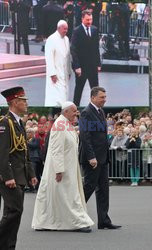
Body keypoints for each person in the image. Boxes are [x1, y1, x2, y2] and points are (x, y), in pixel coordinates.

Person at [32, 101, 94, 232]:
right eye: (74, 111)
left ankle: (49, 221)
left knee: (62, 195)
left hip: (69, 166)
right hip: (62, 168)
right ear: (66, 111)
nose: (76, 113)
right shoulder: (60, 125)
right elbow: (56, 149)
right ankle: (77, 222)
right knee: (68, 195)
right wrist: (59, 170)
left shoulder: (65, 124)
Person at [0, 86, 37, 250]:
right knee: (13, 211)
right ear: (15, 102)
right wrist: (7, 176)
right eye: (23, 101)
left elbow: (24, 151)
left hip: (19, 175)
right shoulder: (5, 122)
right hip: (10, 176)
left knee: (16, 213)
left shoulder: (18, 122)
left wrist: (31, 173)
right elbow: (2, 152)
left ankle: (9, 246)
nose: (26, 104)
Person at [79, 87, 121, 229]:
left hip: (102, 158)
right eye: (102, 97)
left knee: (103, 190)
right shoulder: (86, 113)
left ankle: (104, 221)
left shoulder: (101, 111)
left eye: (105, 96)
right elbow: (85, 136)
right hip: (93, 159)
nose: (104, 99)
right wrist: (91, 157)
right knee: (88, 188)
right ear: (92, 97)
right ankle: (76, 219)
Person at [71, 9, 101, 106]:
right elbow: (73, 50)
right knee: (78, 90)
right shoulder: (77, 31)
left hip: (93, 67)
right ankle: (75, 109)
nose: (89, 22)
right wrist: (76, 66)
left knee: (96, 91)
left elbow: (96, 48)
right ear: (82, 19)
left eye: (91, 19)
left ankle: (96, 109)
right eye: (87, 20)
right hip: (81, 68)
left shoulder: (94, 30)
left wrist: (98, 63)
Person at [44, 20, 71, 106]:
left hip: (64, 73)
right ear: (58, 28)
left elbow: (68, 56)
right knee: (55, 97)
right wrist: (52, 73)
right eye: (64, 29)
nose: (66, 31)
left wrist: (69, 71)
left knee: (64, 95)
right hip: (56, 73)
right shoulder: (51, 39)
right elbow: (49, 58)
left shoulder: (66, 39)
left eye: (67, 29)